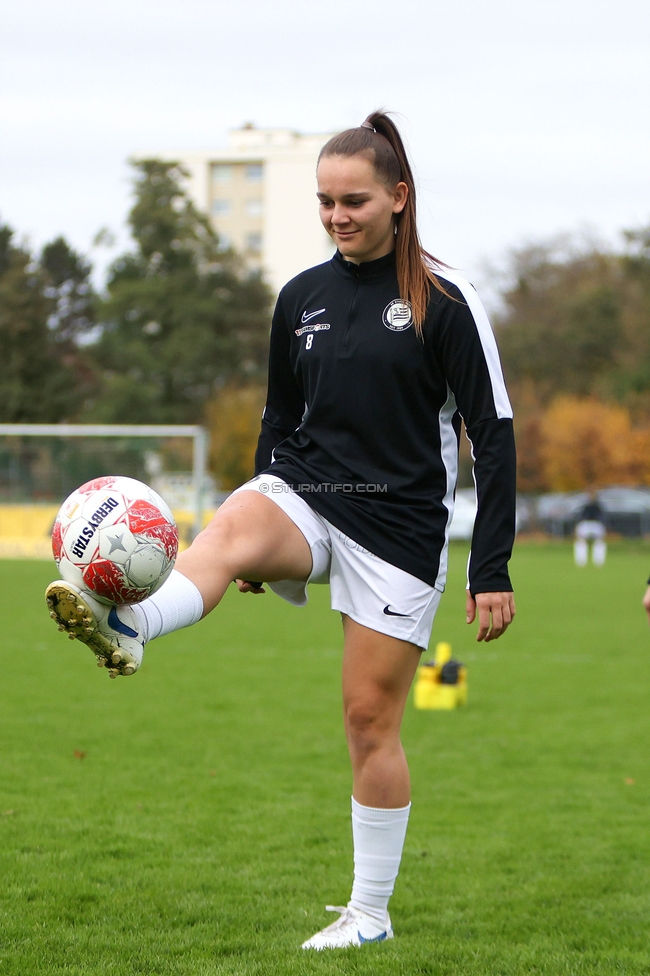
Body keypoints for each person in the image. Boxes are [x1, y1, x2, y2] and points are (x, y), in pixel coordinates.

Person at [45, 111, 517, 950]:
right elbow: (279, 413)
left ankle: (368, 915)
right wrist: (267, 497)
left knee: (369, 721)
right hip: (305, 491)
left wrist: (493, 567)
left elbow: (496, 429)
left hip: (398, 530)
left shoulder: (444, 301)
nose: (338, 216)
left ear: (399, 198)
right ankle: (132, 625)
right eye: (326, 201)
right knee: (227, 529)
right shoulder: (301, 295)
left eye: (355, 201)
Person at [573, 491, 607, 567]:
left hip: (596, 524)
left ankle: (599, 562)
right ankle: (581, 561)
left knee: (599, 542)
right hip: (586, 524)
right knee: (581, 542)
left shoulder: (598, 506)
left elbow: (603, 518)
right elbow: (580, 518)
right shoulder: (586, 506)